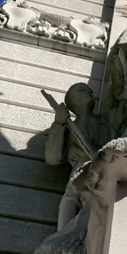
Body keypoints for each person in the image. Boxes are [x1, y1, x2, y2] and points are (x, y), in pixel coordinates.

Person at [44, 83, 114, 231]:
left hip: (105, 171)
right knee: (71, 197)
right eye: (82, 90)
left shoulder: (108, 122)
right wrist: (58, 123)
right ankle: (61, 235)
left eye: (89, 89)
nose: (89, 91)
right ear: (71, 103)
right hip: (80, 174)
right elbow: (53, 158)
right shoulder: (67, 129)